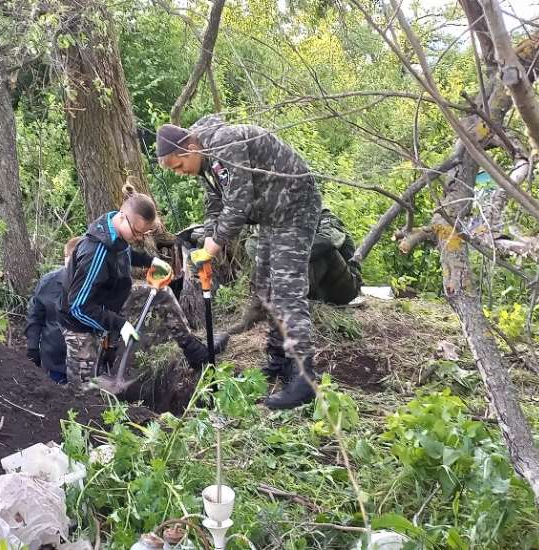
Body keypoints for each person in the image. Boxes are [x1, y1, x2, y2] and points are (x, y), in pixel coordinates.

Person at [157, 115, 321, 409]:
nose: (180, 173)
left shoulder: (224, 143)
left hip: (294, 208)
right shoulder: (206, 163)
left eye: (179, 166)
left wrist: (215, 243)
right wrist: (209, 239)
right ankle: (280, 359)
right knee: (266, 288)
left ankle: (304, 378)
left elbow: (238, 202)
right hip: (272, 216)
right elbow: (215, 204)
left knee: (286, 292)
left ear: (189, 148)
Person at [59, 193, 177, 387]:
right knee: (83, 390)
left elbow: (124, 251)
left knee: (162, 296)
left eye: (144, 234)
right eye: (137, 232)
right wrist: (120, 324)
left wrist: (149, 261)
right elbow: (78, 307)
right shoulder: (95, 253)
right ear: (122, 216)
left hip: (103, 308)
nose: (139, 238)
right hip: (80, 326)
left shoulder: (115, 234)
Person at [217, 208, 363, 353]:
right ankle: (255, 312)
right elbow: (253, 244)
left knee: (322, 250)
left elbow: (329, 239)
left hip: (342, 287)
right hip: (316, 290)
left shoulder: (323, 215)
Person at [25, 236, 83, 384]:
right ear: (66, 258)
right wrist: (32, 348)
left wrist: (111, 346)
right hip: (54, 361)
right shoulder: (48, 283)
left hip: (87, 364)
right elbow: (35, 316)